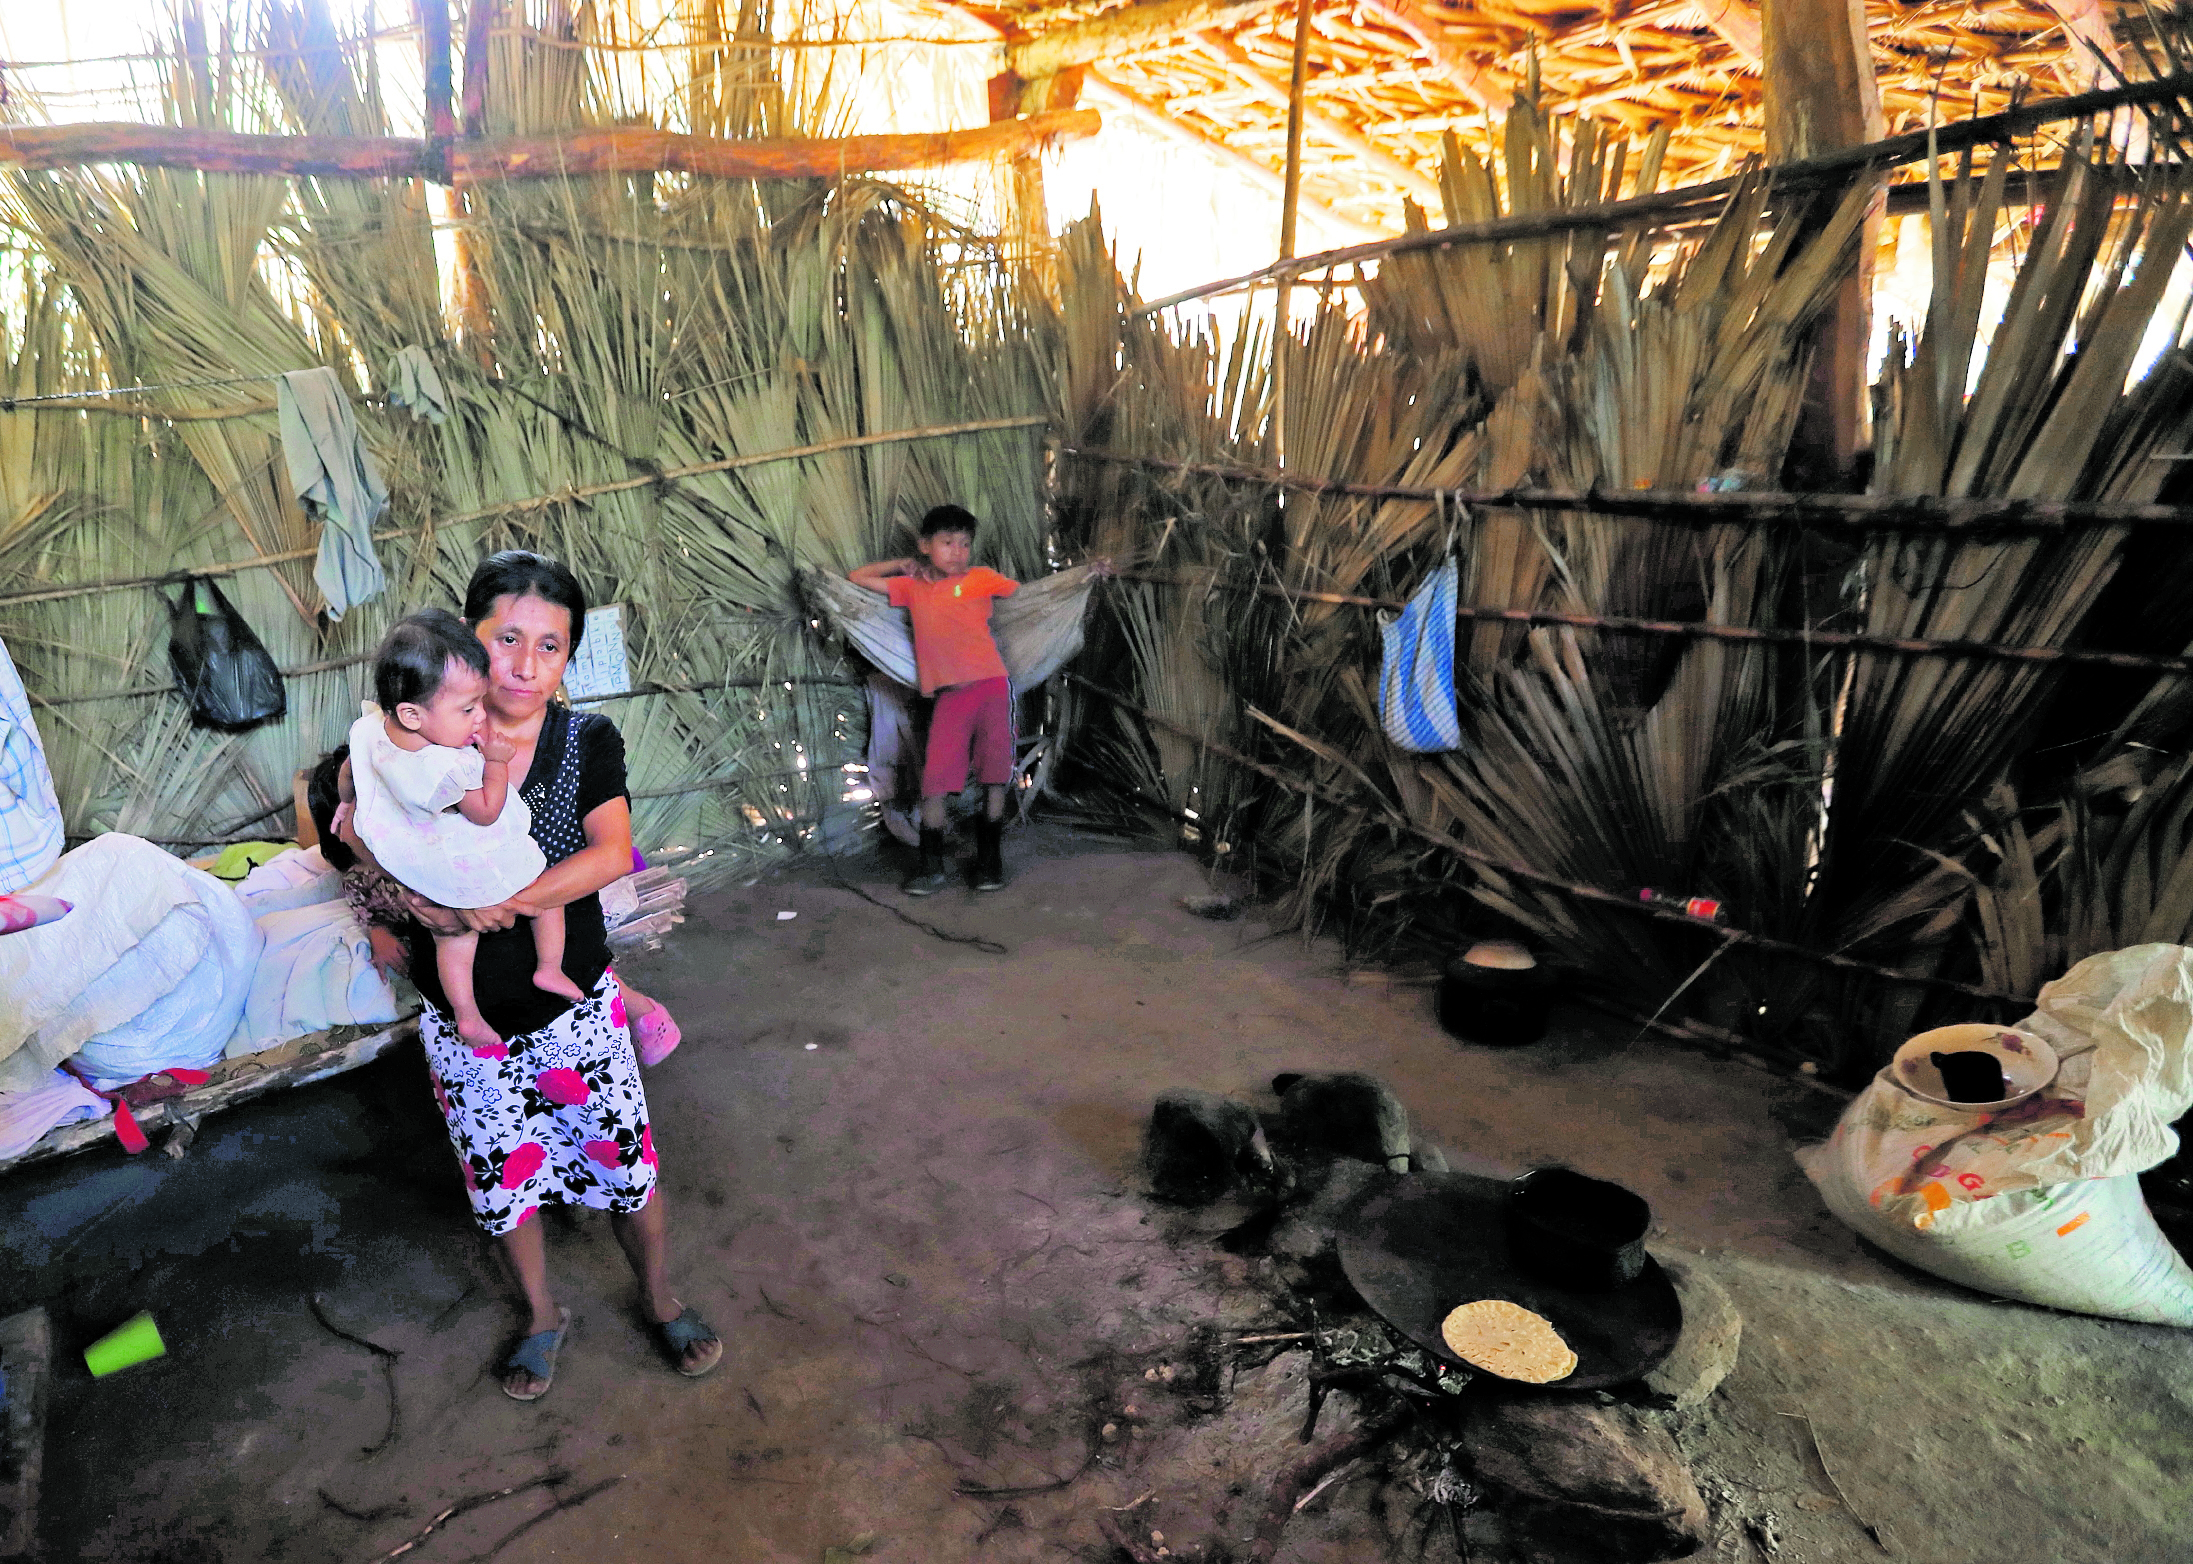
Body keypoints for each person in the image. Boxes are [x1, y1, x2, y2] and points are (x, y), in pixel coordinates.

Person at [377, 550, 720, 1401]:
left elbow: (607, 854)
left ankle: (659, 1294)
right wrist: (401, 908)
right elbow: (347, 826)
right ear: (467, 637)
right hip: (467, 1028)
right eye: (506, 639)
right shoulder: (412, 741)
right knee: (504, 1187)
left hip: (572, 1010)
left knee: (625, 1170)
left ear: (569, 656)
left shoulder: (584, 741)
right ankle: (540, 1316)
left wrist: (490, 904)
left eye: (552, 646)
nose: (526, 666)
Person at [347, 610, 579, 1052]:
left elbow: (348, 779)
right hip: (463, 858)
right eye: (468, 708)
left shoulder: (373, 729)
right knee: (543, 883)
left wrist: (346, 802)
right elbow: (487, 811)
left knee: (450, 935)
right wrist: (495, 760)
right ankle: (550, 965)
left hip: (422, 859)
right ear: (413, 714)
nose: (478, 717)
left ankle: (467, 1016)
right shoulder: (445, 767)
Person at [850, 504, 1019, 895]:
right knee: (935, 781)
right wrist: (903, 563)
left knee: (996, 776)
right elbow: (856, 577)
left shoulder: (980, 578)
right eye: (947, 543)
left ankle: (990, 863)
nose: (958, 552)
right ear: (926, 546)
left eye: (964, 544)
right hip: (949, 697)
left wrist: (1085, 578)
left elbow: (1031, 597)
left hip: (992, 687)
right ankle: (930, 867)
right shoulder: (912, 588)